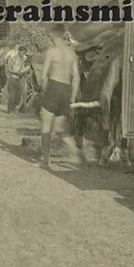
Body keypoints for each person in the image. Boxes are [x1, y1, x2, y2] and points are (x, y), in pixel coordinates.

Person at [39, 23, 85, 170]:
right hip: (66, 88)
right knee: (60, 127)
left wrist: (44, 93)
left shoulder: (51, 52)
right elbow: (77, 78)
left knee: (46, 126)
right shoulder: (72, 53)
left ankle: (46, 161)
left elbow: (43, 76)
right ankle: (75, 153)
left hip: (53, 86)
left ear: (52, 35)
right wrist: (72, 97)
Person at [4, 45, 30, 114]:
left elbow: (28, 69)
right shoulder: (13, 59)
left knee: (18, 97)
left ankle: (13, 109)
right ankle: (10, 110)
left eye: (24, 53)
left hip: (20, 80)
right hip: (13, 78)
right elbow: (9, 69)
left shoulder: (24, 60)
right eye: (23, 52)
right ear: (19, 51)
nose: (24, 54)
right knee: (12, 96)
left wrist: (24, 72)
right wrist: (16, 73)